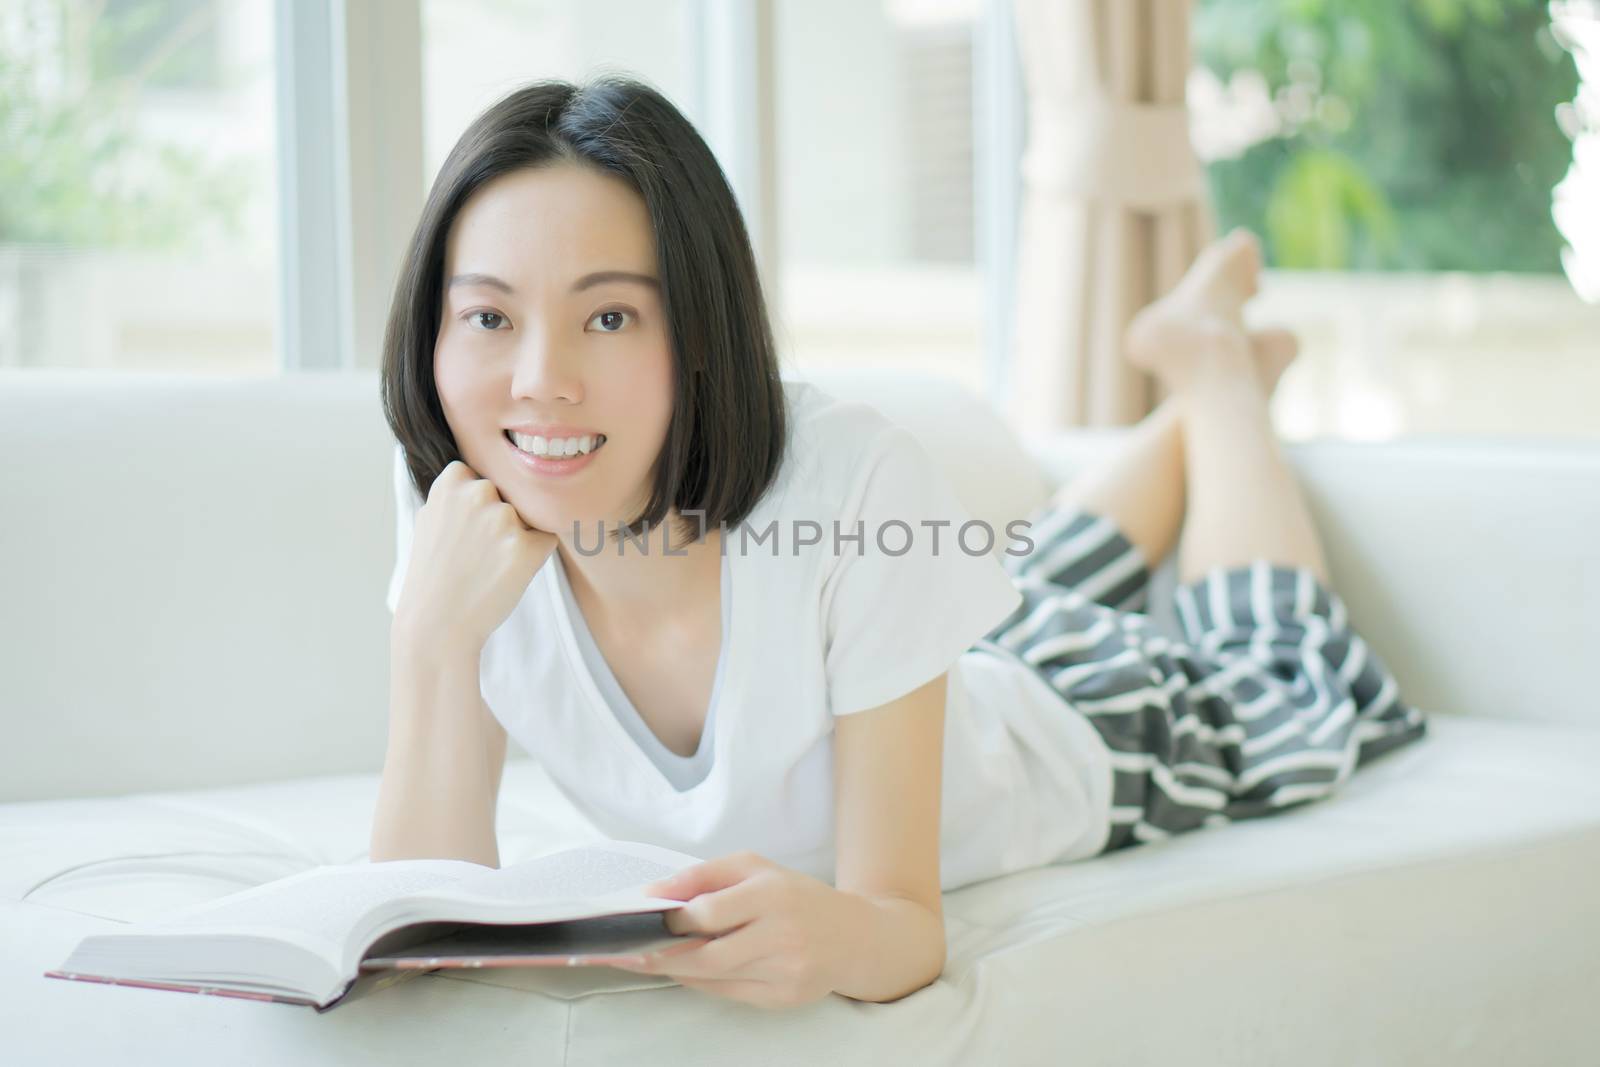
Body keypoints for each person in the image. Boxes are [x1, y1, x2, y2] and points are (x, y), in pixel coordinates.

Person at [370, 75, 1428, 1010]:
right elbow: (420, 922)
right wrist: (429, 637)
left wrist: (828, 935)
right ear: (435, 328)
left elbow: (902, 927)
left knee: (1292, 673)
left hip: (1069, 732)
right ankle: (1198, 377)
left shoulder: (848, 477)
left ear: (698, 331)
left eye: (608, 318)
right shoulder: (467, 489)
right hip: (933, 666)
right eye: (488, 317)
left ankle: (1215, 374)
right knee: (1027, 583)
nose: (539, 379)